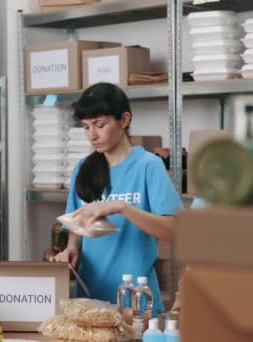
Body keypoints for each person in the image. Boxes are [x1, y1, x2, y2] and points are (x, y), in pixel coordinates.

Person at [50, 82, 182, 316]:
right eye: (86, 127)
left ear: (124, 120)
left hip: (138, 305)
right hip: (89, 303)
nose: (92, 135)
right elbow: (76, 228)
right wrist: (71, 251)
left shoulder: (148, 166)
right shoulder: (83, 168)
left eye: (100, 125)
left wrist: (121, 207)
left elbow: (173, 231)